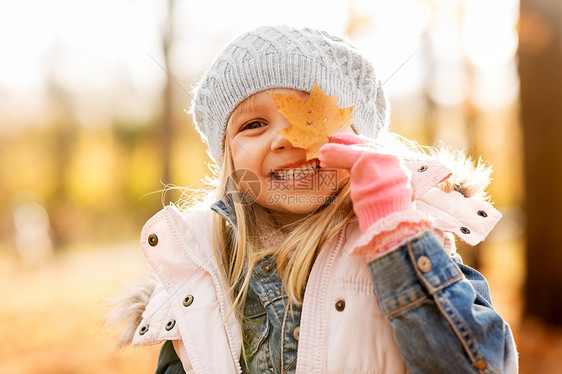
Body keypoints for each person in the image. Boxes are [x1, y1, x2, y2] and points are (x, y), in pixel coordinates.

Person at [113, 25, 518, 373]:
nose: (287, 137)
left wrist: (394, 229)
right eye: (253, 124)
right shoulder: (200, 278)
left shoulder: (419, 243)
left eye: (313, 116)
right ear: (228, 160)